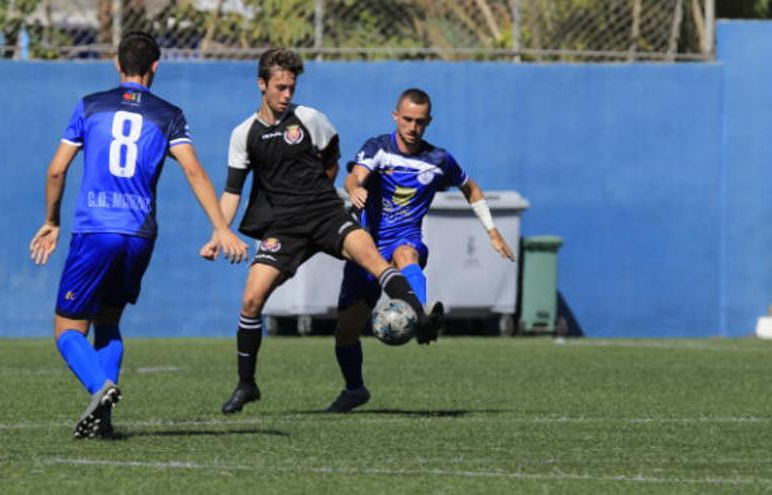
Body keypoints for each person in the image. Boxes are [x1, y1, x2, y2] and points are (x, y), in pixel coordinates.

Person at [29, 31, 248, 439]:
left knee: (67, 330)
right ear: (155, 66)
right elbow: (194, 170)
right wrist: (221, 227)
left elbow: (57, 169)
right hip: (140, 235)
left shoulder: (90, 106)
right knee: (109, 322)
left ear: (117, 64)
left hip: (95, 230)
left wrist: (52, 219)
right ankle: (103, 421)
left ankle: (101, 387)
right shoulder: (168, 114)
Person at [200, 49, 443, 415]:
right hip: (283, 226)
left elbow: (332, 160)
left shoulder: (310, 119)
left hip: (326, 213)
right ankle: (247, 384)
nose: (286, 95)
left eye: (291, 88)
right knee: (251, 299)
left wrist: (321, 190)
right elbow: (232, 191)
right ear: (261, 85)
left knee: (373, 257)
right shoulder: (243, 134)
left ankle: (420, 318)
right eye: (279, 87)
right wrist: (220, 231)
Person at [326, 88, 515, 413]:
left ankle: (422, 315)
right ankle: (355, 389)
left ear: (428, 122)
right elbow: (354, 178)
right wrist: (355, 189)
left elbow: (470, 188)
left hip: (405, 237)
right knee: (345, 332)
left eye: (420, 121)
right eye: (408, 119)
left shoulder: (438, 160)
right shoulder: (378, 148)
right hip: (367, 247)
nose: (413, 127)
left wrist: (493, 231)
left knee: (407, 255)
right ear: (395, 116)